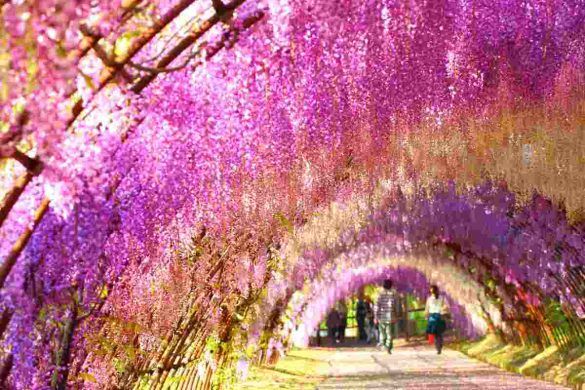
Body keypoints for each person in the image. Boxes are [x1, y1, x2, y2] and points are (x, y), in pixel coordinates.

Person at [375, 279, 399, 354]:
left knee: (382, 332)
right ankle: (388, 346)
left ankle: (383, 344)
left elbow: (376, 305)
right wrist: (397, 314)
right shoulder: (394, 293)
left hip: (381, 316)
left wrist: (376, 316)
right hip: (390, 316)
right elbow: (396, 305)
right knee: (389, 333)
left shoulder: (379, 293)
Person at [425, 284, 449, 354]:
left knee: (433, 333)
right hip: (440, 316)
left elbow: (427, 309)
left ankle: (437, 346)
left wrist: (426, 316)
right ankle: (439, 347)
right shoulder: (442, 298)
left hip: (432, 316)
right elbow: (446, 306)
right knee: (439, 333)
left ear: (431, 291)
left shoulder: (429, 299)